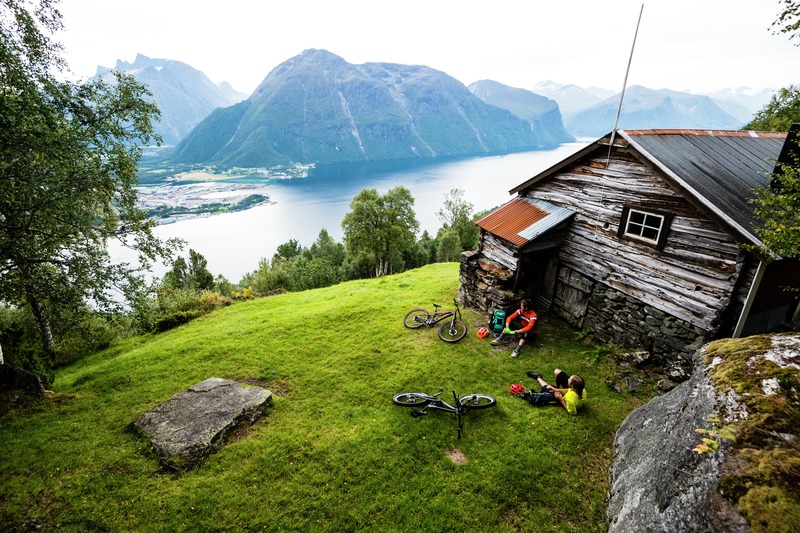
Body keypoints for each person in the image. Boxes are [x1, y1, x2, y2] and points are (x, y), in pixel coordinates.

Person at [512, 369, 587, 415]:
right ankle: (540, 379)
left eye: (569, 379)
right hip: (569, 395)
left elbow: (572, 412)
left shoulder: (570, 399)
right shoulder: (581, 389)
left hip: (565, 400)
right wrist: (556, 389)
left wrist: (561, 399)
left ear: (572, 385)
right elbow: (568, 390)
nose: (568, 379)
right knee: (557, 372)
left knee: (545, 392)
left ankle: (538, 377)